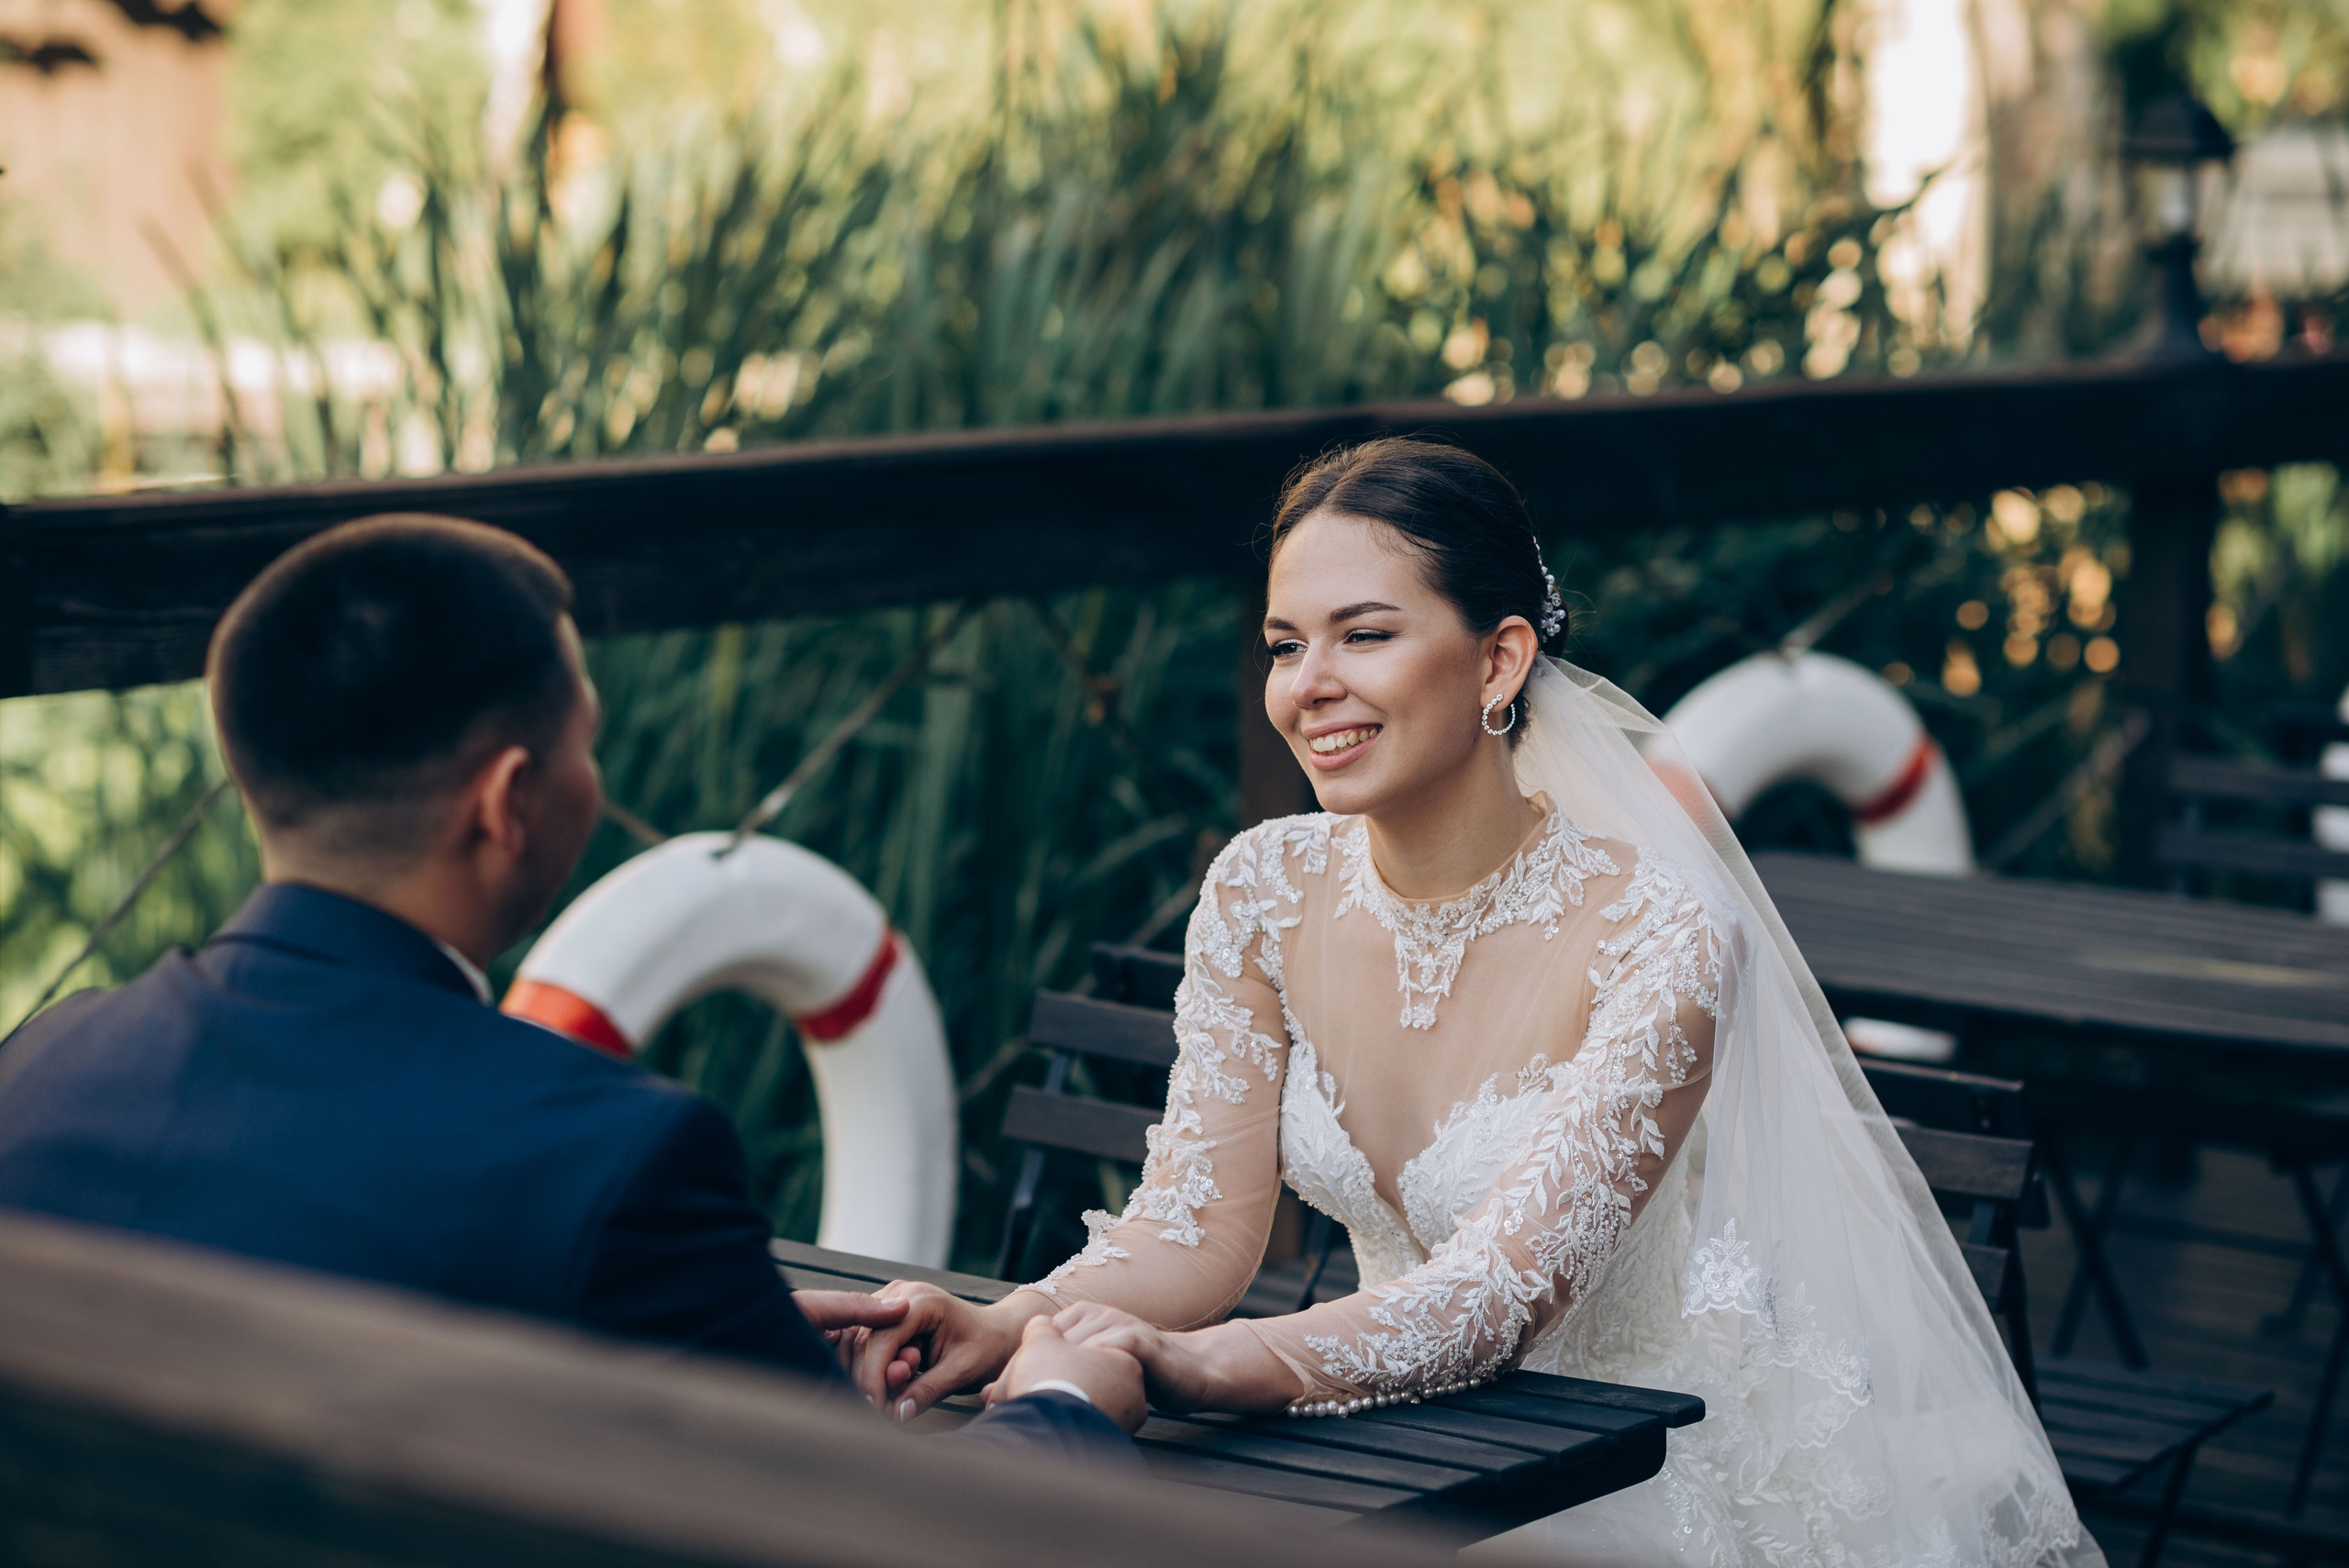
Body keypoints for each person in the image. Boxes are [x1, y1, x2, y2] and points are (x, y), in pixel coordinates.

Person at [854, 439, 2104, 1564]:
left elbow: (1492, 1299)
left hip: (1609, 1464)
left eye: (1366, 634)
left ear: (1500, 657)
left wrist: (1191, 1366)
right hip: (1375, 1442)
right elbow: (1195, 1227)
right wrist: (1009, 1321)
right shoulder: (1260, 887)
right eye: (1287, 645)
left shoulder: (1661, 934)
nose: (1310, 685)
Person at [0, 513, 1141, 1458]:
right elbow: (879, 1535)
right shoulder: (614, 1162)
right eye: (584, 742)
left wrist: (701, 1328)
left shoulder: (44, 1067)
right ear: (509, 802)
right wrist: (1072, 1403)